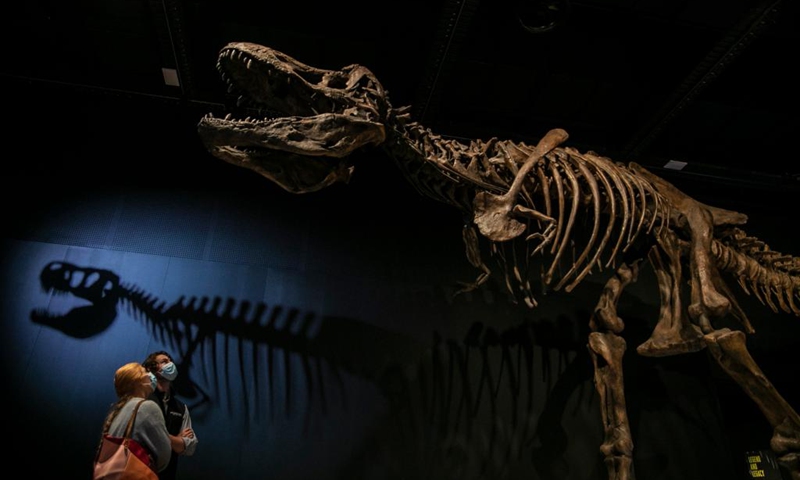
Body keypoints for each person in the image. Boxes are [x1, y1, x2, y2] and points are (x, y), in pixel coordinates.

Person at [98, 362, 172, 473]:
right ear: (137, 381)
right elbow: (164, 456)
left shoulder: (117, 410)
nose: (150, 375)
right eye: (145, 372)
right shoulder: (147, 407)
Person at [143, 351, 198, 480]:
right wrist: (176, 439)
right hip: (138, 469)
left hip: (166, 474)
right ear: (153, 368)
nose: (171, 364)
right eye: (164, 362)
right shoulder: (143, 398)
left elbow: (190, 446)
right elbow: (141, 434)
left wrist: (163, 436)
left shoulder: (181, 408)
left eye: (170, 361)